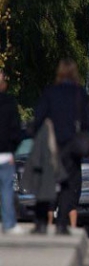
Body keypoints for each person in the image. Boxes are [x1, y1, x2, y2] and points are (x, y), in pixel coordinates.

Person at [33, 59, 89, 235]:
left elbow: (38, 117)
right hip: (71, 145)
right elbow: (87, 122)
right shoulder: (79, 93)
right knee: (68, 185)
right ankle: (61, 224)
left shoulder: (50, 92)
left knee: (48, 183)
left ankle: (42, 222)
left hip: (52, 145)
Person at [0, 71, 25, 235]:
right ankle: (8, 223)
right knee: (7, 189)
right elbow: (16, 130)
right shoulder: (9, 102)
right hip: (5, 153)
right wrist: (12, 149)